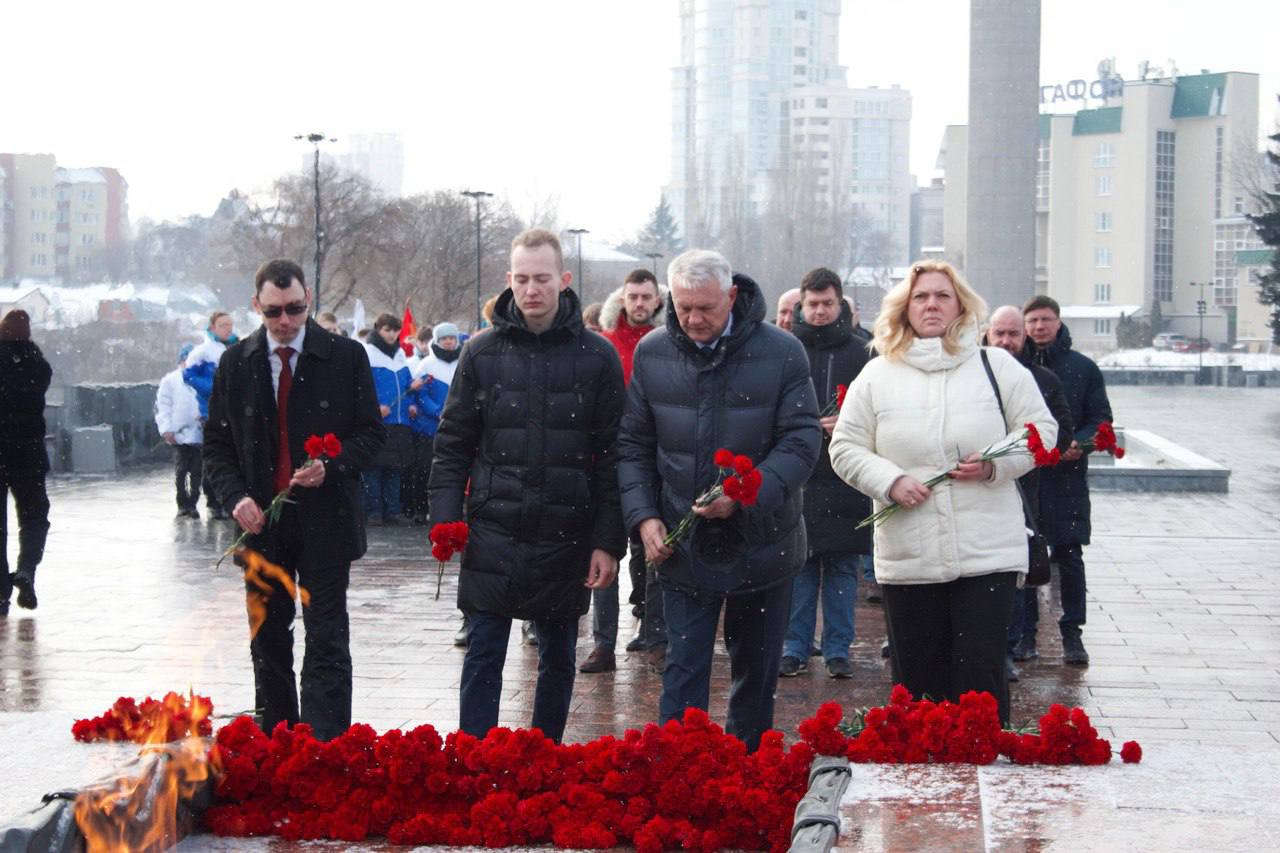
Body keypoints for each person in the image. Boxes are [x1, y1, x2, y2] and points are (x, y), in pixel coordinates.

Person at [828, 261, 1056, 724]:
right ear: (904, 308)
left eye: (942, 296)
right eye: (921, 297)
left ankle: (982, 757)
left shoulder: (997, 367)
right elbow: (845, 447)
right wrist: (890, 481)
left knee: (980, 679)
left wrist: (993, 463)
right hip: (909, 552)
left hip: (987, 549)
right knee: (919, 683)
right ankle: (924, 767)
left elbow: (1041, 432)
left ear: (961, 306)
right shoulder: (877, 375)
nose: (931, 304)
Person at [617, 249, 820, 751]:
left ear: (731, 296)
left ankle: (745, 772)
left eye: (705, 308)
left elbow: (800, 442)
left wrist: (745, 494)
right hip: (682, 544)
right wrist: (644, 517)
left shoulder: (783, 351)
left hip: (764, 541)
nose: (693, 320)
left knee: (756, 674)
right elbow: (634, 445)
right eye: (683, 307)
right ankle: (678, 771)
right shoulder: (654, 352)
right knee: (682, 671)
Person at [430, 229, 625, 743]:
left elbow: (613, 456)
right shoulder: (481, 353)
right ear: (508, 280)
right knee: (483, 652)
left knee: (558, 656)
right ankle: (475, 758)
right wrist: (445, 520)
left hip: (567, 530)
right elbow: (453, 444)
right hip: (494, 528)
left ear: (564, 279)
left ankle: (545, 758)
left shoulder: (597, 356)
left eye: (542, 278)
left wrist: (608, 541)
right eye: (521, 279)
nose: (531, 289)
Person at [203, 259, 386, 741]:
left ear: (308, 300)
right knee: (267, 638)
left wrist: (332, 464)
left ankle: (325, 744)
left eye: (295, 309)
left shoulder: (345, 357)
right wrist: (235, 497)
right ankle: (279, 738)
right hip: (261, 523)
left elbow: (372, 435)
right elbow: (217, 446)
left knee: (326, 635)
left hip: (327, 519)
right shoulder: (236, 362)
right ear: (256, 306)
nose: (285, 321)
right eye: (273, 312)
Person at [780, 268, 873, 680]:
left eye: (827, 304)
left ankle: (838, 649)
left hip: (845, 476)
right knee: (799, 567)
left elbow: (877, 411)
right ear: (802, 305)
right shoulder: (787, 349)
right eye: (813, 304)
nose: (819, 311)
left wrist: (849, 423)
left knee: (842, 569)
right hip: (798, 474)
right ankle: (795, 647)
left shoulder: (863, 353)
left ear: (840, 305)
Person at [580, 269, 666, 673]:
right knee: (604, 544)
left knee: (652, 547)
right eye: (633, 296)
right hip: (608, 456)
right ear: (623, 298)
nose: (639, 304)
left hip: (653, 458)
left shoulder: (666, 343)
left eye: (646, 297)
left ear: (657, 300)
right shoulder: (606, 344)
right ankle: (603, 643)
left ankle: (654, 632)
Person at [1021, 295, 1113, 667]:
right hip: (1027, 477)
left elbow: (1101, 418)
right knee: (1025, 556)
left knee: (1070, 555)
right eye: (1032, 321)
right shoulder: (1016, 367)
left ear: (1058, 322)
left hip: (1067, 480)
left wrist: (1081, 443)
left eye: (1045, 319)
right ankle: (1025, 634)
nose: (1039, 327)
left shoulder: (1082, 368)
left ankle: (1072, 633)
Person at [983, 305, 1073, 681]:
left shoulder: (1042, 379)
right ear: (987, 334)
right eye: (999, 334)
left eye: (1013, 334)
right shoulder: (971, 376)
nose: (1006, 341)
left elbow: (1061, 430)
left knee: (1013, 575)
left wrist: (1025, 454)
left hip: (1023, 490)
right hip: (974, 488)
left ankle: (1008, 648)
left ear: (1024, 337)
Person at [0, 310, 52, 614]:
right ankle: (26, 570)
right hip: (29, 453)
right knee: (34, 517)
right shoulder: (38, 365)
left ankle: (1, 592)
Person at [362, 314, 421, 526]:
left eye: (395, 330)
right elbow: (362, 388)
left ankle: (393, 510)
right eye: (387, 330)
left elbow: (406, 385)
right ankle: (374, 511)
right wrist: (374, 408)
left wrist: (411, 400)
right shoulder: (367, 353)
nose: (392, 334)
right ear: (378, 329)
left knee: (395, 469)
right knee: (374, 469)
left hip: (400, 421)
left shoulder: (400, 354)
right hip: (378, 422)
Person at [183, 311, 238, 519]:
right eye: (223, 325)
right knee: (215, 455)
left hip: (235, 411)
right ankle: (214, 500)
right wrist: (212, 388)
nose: (228, 329)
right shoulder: (203, 352)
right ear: (213, 328)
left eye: (230, 324)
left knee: (234, 456)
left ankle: (230, 498)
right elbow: (188, 375)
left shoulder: (237, 347)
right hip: (210, 411)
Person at [402, 325, 454, 526]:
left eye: (452, 338)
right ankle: (421, 508)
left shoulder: (462, 361)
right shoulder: (426, 364)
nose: (448, 341)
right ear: (437, 341)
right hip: (429, 426)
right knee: (424, 469)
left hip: (454, 426)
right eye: (444, 338)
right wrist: (437, 411)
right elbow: (420, 394)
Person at [156, 343, 213, 519]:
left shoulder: (202, 379)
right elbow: (163, 406)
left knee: (197, 471)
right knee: (181, 471)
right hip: (179, 434)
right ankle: (182, 504)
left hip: (198, 434)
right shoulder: (170, 381)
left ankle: (193, 504)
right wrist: (166, 429)